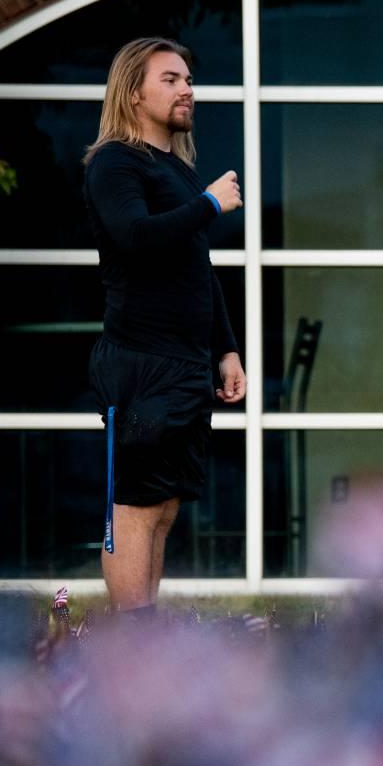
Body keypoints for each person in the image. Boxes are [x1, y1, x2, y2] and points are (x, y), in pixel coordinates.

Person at [83, 37, 245, 616]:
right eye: (171, 79)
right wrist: (206, 204)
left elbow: (194, 268)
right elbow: (135, 238)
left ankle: (146, 644)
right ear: (133, 92)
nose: (187, 89)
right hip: (140, 360)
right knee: (137, 504)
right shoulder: (114, 163)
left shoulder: (174, 169)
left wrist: (225, 348)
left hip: (182, 363)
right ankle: (135, 648)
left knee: (167, 505)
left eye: (188, 80)